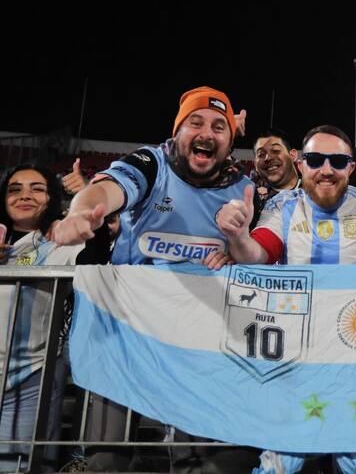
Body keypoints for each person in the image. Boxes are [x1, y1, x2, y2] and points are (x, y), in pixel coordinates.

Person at [54, 86, 257, 473]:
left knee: (195, 456)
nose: (206, 134)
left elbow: (255, 256)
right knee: (107, 457)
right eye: (195, 122)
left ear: (230, 142)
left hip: (196, 340)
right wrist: (83, 212)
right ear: (177, 131)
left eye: (219, 127)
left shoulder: (240, 187)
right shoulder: (152, 163)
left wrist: (239, 248)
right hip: (129, 335)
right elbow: (107, 190)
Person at [216, 124, 356, 474]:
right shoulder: (282, 204)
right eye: (316, 159)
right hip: (294, 358)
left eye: (337, 160)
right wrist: (238, 238)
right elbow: (259, 253)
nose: (326, 169)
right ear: (300, 165)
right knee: (280, 464)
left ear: (351, 167)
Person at [0, 164, 110, 472]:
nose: (25, 195)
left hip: (28, 376)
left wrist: (86, 199)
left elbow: (96, 254)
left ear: (51, 198)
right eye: (15, 188)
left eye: (37, 188)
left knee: (18, 466)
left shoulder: (59, 241)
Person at [250, 64, 356, 215]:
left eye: (275, 150)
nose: (268, 158)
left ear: (294, 156)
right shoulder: (256, 207)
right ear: (256, 165)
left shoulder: (329, 177)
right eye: (260, 154)